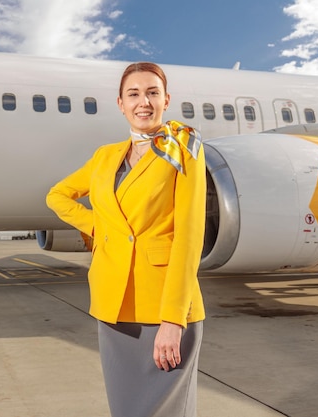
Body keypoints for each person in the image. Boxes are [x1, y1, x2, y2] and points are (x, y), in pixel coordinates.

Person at [46, 62, 206, 417]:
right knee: (127, 410)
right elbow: (58, 195)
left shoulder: (183, 148)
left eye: (152, 93)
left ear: (166, 99)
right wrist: (98, 227)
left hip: (164, 304)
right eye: (134, 94)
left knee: (166, 410)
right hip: (113, 304)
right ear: (121, 103)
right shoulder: (105, 156)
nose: (143, 102)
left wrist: (173, 320)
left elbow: (189, 235)